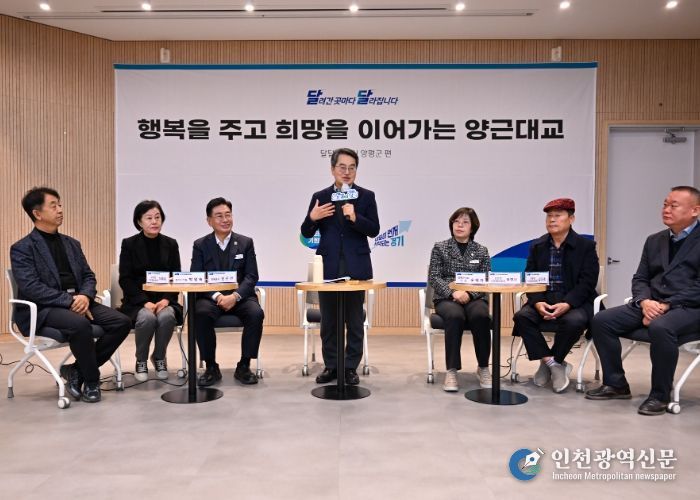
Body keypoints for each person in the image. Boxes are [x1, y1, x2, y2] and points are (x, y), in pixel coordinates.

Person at [586, 186, 700, 415]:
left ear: (695, 210)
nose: (666, 209)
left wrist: (667, 305)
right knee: (602, 320)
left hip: (690, 308)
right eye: (665, 204)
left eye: (674, 205)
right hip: (652, 303)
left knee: (661, 326)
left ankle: (659, 396)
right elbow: (640, 278)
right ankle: (616, 384)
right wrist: (644, 302)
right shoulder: (654, 240)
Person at [10, 187, 131, 403]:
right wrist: (69, 301)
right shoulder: (22, 248)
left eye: (60, 204)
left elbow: (88, 276)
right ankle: (92, 381)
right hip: (46, 308)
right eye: (53, 206)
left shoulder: (72, 244)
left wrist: (85, 296)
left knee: (122, 322)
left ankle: (76, 371)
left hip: (80, 301)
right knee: (80, 324)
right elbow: (31, 287)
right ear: (37, 214)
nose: (60, 209)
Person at [300, 147, 380, 385]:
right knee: (329, 321)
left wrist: (355, 217)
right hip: (329, 266)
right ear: (332, 169)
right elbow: (306, 232)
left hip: (356, 266)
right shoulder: (321, 196)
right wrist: (312, 218)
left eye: (352, 167)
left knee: (354, 321)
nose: (347, 172)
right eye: (342, 167)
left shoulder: (366, 196)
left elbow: (374, 229)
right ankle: (332, 366)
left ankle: (350, 367)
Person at [512, 198, 599, 393]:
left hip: (575, 300)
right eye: (549, 216)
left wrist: (568, 303)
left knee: (575, 321)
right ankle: (554, 364)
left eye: (558, 215)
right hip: (544, 298)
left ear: (571, 219)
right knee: (522, 317)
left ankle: (550, 362)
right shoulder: (538, 246)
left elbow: (588, 282)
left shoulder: (585, 246)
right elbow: (531, 278)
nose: (552, 220)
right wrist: (537, 302)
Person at [190, 197, 264, 386]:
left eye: (228, 215)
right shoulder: (200, 245)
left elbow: (251, 276)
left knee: (256, 313)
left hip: (240, 296)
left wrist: (235, 296)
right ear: (209, 221)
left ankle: (244, 365)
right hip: (211, 297)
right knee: (200, 313)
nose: (225, 220)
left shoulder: (245, 243)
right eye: (219, 216)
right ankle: (211, 367)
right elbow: (197, 277)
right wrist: (217, 296)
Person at [428, 207, 492, 392]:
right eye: (456, 221)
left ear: (473, 227)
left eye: (465, 222)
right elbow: (434, 276)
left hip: (475, 295)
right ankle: (452, 370)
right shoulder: (440, 247)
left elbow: (486, 277)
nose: (460, 225)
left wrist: (469, 294)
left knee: (481, 315)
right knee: (455, 316)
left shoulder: (481, 250)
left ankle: (483, 367)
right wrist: (453, 292)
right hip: (447, 297)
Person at [118, 200, 183, 381]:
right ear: (139, 222)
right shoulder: (129, 244)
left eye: (157, 217)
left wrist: (166, 299)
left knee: (167, 317)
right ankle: (141, 360)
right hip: (138, 301)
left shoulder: (171, 244)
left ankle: (159, 357)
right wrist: (143, 302)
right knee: (147, 318)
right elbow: (125, 279)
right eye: (149, 218)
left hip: (165, 299)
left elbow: (176, 276)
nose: (154, 222)